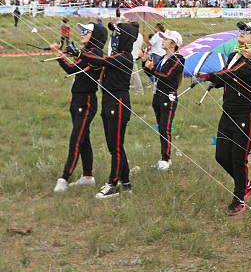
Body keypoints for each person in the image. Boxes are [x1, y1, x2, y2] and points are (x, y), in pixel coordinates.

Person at [196, 21, 251, 215]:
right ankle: (246, 185)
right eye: (242, 30)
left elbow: (232, 74)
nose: (242, 33)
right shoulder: (233, 54)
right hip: (228, 111)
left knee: (238, 158)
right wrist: (215, 82)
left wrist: (207, 76)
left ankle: (239, 198)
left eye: (248, 31)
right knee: (221, 155)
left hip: (247, 114)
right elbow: (230, 78)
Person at [77, 21, 140, 198]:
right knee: (115, 145)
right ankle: (125, 181)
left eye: (118, 34)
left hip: (118, 103)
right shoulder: (118, 54)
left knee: (115, 147)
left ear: (125, 38)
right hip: (109, 102)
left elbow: (100, 60)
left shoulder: (125, 56)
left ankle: (113, 184)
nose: (114, 36)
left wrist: (81, 53)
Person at [49, 22, 106, 193]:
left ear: (95, 36)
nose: (81, 33)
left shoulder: (95, 54)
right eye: (82, 30)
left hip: (86, 102)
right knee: (84, 139)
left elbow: (72, 69)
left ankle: (64, 178)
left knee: (76, 140)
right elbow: (73, 68)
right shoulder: (86, 52)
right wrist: (59, 54)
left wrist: (59, 55)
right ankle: (87, 177)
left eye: (86, 31)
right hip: (77, 100)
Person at [141, 30, 184, 171]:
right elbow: (153, 74)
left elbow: (166, 76)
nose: (163, 41)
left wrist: (152, 70)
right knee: (161, 128)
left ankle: (166, 158)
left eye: (166, 39)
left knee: (165, 128)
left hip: (168, 97)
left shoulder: (178, 59)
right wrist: (144, 64)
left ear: (173, 44)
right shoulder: (162, 58)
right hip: (158, 96)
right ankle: (165, 158)